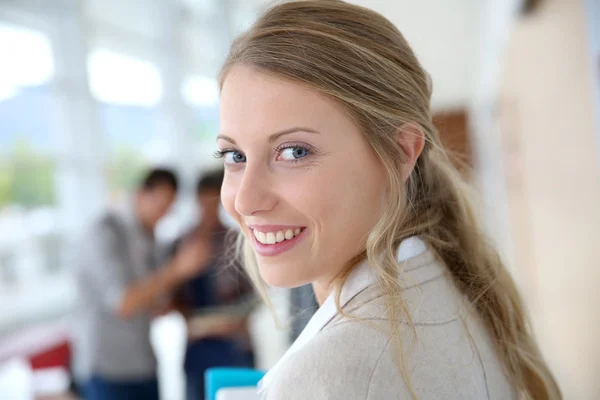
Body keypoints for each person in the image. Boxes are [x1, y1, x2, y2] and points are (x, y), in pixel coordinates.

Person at [215, 1, 562, 399]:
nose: (245, 200)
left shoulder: (328, 376)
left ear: (400, 153)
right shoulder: (449, 286)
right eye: (234, 156)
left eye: (294, 152)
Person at [71, 168, 211, 400]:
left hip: (143, 364)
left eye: (169, 208)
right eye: (160, 204)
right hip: (107, 370)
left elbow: (151, 303)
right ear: (140, 194)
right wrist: (177, 269)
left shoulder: (150, 238)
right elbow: (123, 302)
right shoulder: (104, 231)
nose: (163, 214)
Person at [171, 169, 256, 400]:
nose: (209, 208)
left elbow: (254, 297)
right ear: (196, 200)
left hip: (234, 344)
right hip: (198, 346)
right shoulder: (181, 243)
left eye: (214, 200)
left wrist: (227, 323)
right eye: (204, 200)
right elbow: (171, 298)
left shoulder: (237, 241)